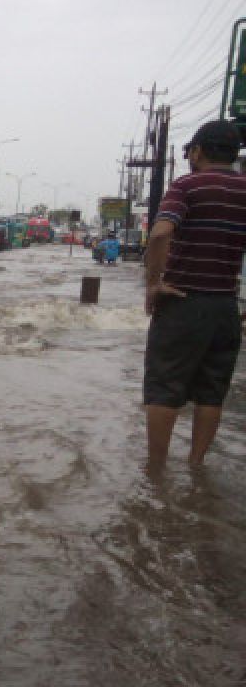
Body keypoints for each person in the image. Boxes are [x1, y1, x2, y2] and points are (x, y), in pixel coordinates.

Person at [142, 118, 246, 469]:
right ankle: (195, 467)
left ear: (198, 151)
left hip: (182, 302)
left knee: (164, 389)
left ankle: (156, 468)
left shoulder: (187, 185)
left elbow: (159, 234)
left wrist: (154, 284)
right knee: (211, 393)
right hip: (225, 306)